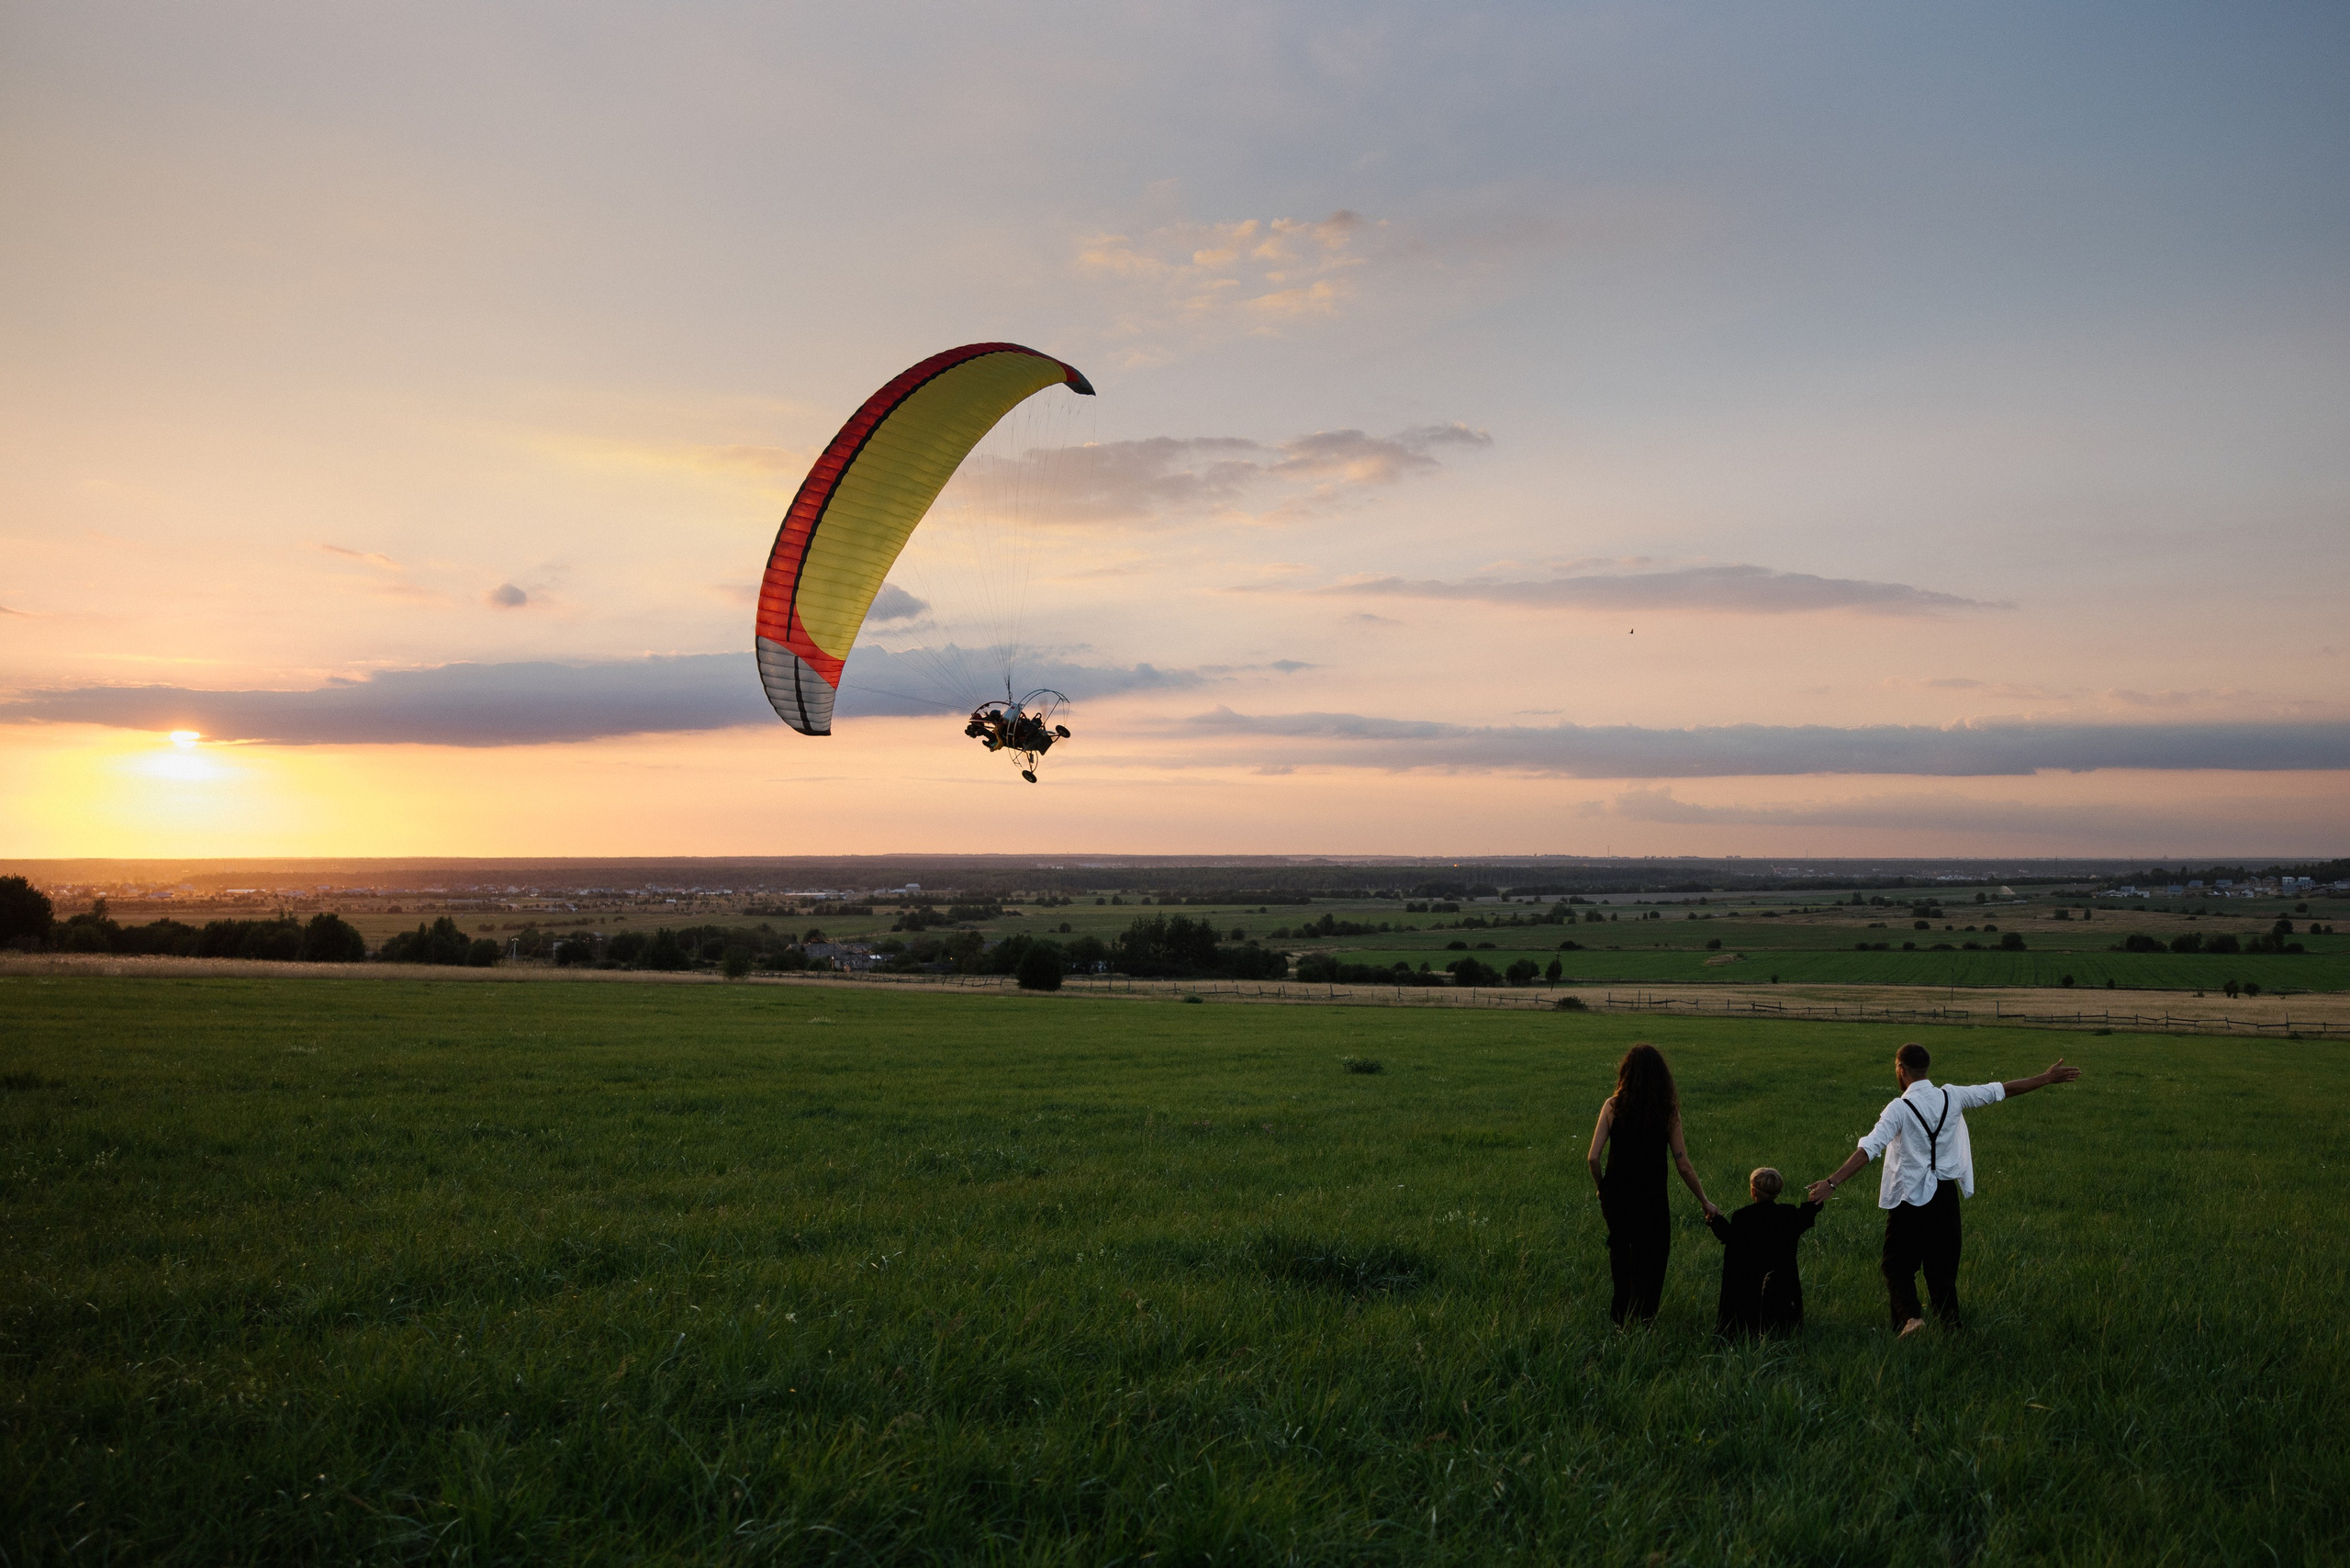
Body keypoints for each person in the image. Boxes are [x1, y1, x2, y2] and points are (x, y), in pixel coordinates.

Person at [1806, 1043, 2081, 1336]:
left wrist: (1832, 1182)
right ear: (1926, 1068)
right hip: (1945, 1196)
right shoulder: (1953, 1096)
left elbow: (1869, 1149)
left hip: (1909, 1199)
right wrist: (2045, 1078)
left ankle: (1912, 1319)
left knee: (1896, 1267)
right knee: (1942, 1271)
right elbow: (2001, 1089)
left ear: (1901, 1069)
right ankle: (1949, 1332)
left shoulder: (1899, 1108)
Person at [1586, 1044, 1720, 1326]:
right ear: (1661, 1076)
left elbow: (1593, 1157)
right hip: (1651, 1198)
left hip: (1617, 1197)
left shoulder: (1612, 1106)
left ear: (1626, 1072)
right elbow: (1683, 1164)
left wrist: (1602, 1188)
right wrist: (1704, 1201)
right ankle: (1645, 1319)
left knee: (1621, 1254)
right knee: (1653, 1257)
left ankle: (1620, 1319)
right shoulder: (1667, 1111)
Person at [1704, 1167, 1820, 1338]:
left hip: (1749, 1289)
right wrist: (1817, 1198)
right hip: (1782, 1286)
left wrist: (1715, 1220)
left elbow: (1729, 1237)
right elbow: (1808, 1212)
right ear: (1778, 1192)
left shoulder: (1743, 1217)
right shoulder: (1789, 1215)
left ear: (1753, 1191)